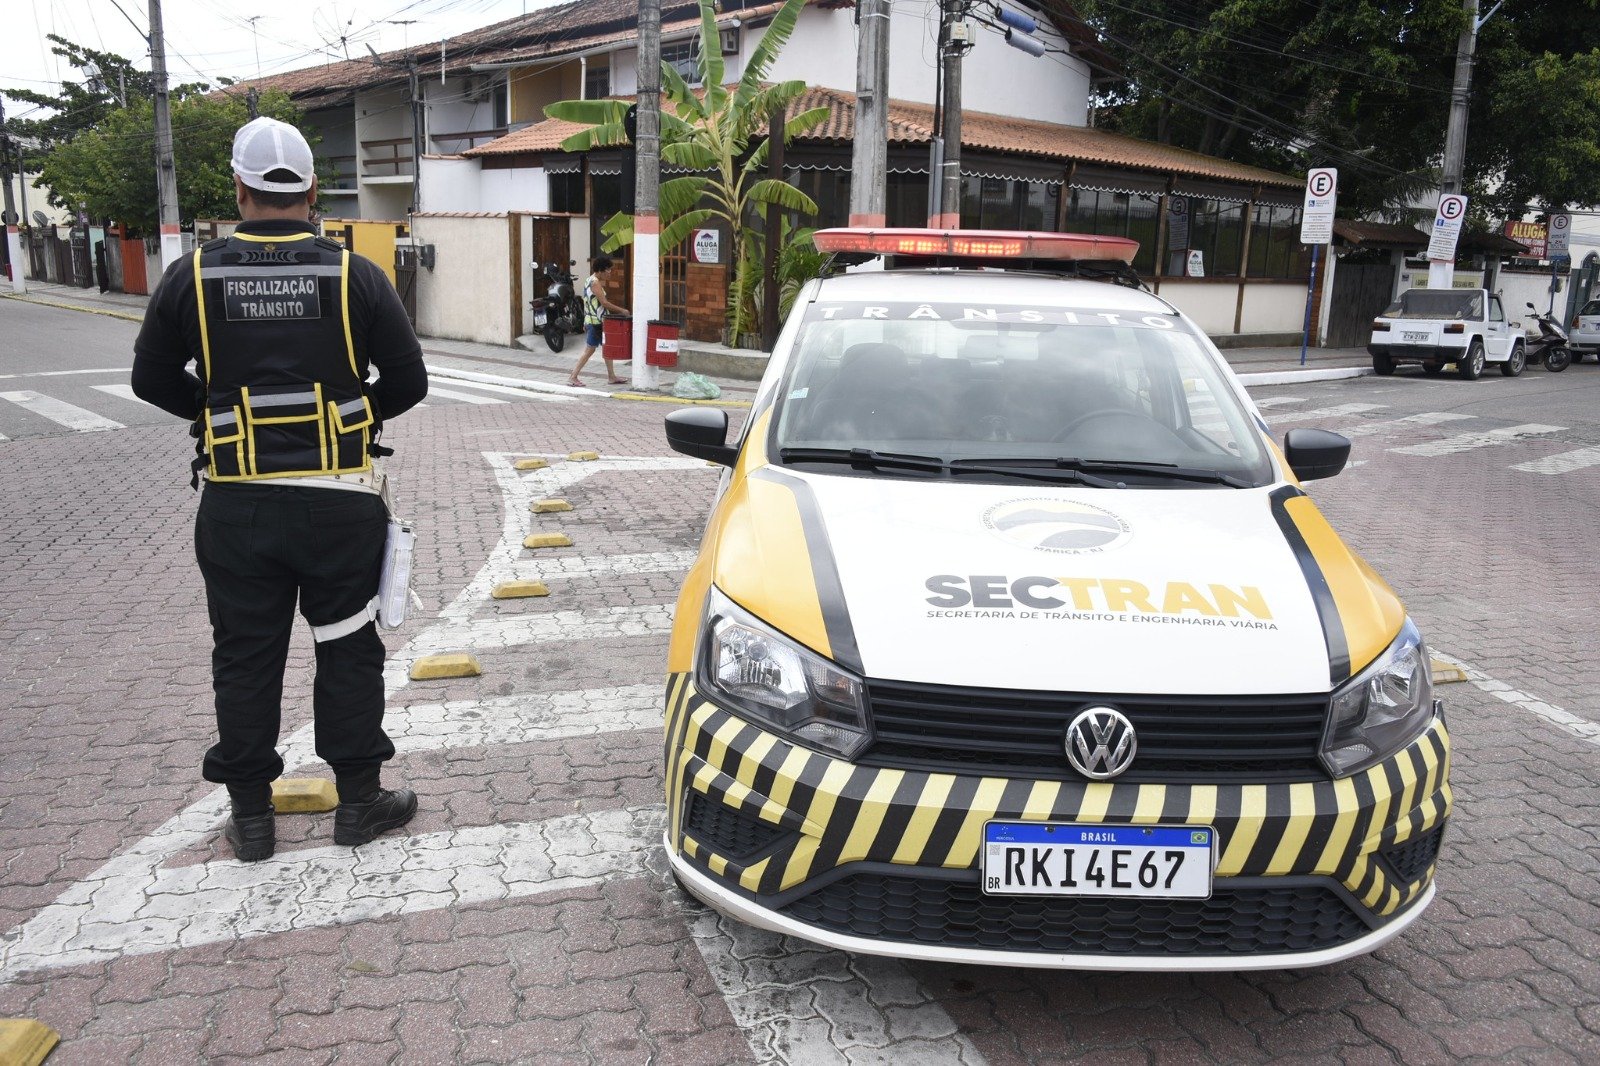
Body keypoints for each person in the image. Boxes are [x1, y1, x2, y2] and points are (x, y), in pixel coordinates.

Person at [131, 116, 429, 862]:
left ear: (238, 187)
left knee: (246, 655)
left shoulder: (192, 276)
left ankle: (253, 819)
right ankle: (358, 805)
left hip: (237, 504)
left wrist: (217, 411)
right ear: (312, 190)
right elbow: (410, 381)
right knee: (347, 647)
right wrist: (351, 417)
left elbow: (150, 378)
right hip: (340, 501)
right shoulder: (355, 273)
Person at [566, 254, 629, 387]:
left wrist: (585, 321)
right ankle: (573, 377)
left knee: (607, 348)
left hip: (595, 322)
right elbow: (604, 303)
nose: (610, 273)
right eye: (608, 270)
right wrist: (622, 311)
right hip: (595, 323)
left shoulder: (589, 280)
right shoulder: (595, 283)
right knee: (590, 349)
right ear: (601, 270)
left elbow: (588, 303)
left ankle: (612, 377)